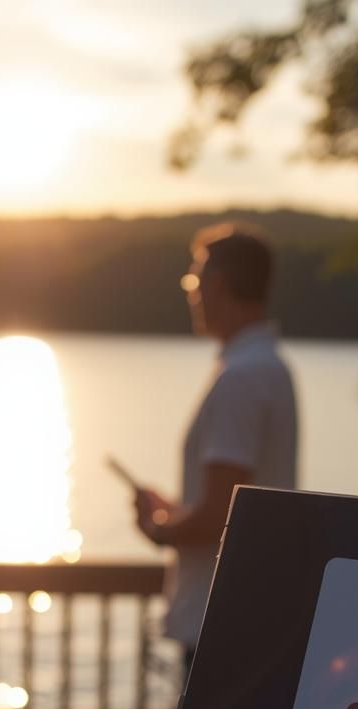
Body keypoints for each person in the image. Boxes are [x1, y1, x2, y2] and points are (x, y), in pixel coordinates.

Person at [131, 223, 299, 677]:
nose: (193, 294)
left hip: (219, 622)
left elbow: (220, 514)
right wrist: (178, 512)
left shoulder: (242, 377)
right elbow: (234, 498)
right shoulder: (269, 368)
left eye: (194, 281)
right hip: (249, 613)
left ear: (217, 284)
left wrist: (160, 527)